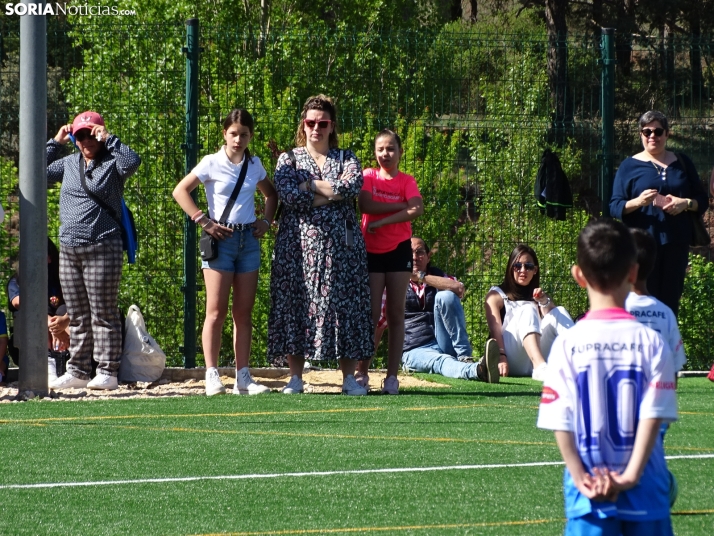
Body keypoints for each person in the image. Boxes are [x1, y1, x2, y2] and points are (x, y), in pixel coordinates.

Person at [537, 217, 678, 535]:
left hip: (587, 496)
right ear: (633, 272)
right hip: (646, 489)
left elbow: (561, 419)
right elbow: (653, 418)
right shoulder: (652, 342)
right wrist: (628, 477)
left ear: (578, 275)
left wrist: (579, 477)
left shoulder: (566, 344)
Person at [268, 94, 373, 396]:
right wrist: (330, 193)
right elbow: (288, 195)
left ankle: (349, 379)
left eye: (322, 123)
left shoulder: (347, 157)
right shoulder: (288, 159)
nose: (316, 128)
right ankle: (296, 377)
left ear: (332, 126)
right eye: (311, 122)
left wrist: (311, 184)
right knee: (296, 304)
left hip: (342, 249)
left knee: (346, 305)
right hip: (296, 249)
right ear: (304, 124)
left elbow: (351, 186)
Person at [173, 109, 277, 396]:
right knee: (215, 311)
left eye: (244, 134)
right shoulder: (210, 163)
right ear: (224, 134)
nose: (238, 139)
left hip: (248, 241)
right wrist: (203, 221)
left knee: (243, 313)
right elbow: (180, 191)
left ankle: (243, 376)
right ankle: (212, 373)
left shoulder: (254, 164)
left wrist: (266, 222)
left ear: (250, 136)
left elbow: (271, 194)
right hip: (221, 239)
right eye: (233, 133)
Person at [47, 111, 141, 390]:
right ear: (75, 138)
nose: (87, 140)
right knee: (76, 313)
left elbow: (132, 162)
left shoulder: (113, 162)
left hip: (103, 245)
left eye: (91, 134)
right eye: (81, 135)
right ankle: (77, 369)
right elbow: (34, 170)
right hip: (69, 248)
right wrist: (56, 141)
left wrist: (109, 138)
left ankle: (107, 371)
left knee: (103, 311)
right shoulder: (67, 163)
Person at [610, 110, 708, 317]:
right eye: (647, 132)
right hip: (641, 248)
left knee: (670, 304)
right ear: (641, 135)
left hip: (675, 244)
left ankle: (667, 347)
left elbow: (702, 200)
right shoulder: (629, 166)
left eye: (658, 131)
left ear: (667, 134)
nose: (652, 136)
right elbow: (615, 206)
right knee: (641, 304)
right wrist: (638, 202)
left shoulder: (682, 162)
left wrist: (686, 203)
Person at [368, 236, 500, 384]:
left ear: (428, 256)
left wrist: (420, 277)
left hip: (443, 342)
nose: (414, 257)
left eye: (419, 252)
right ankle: (478, 370)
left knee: (446, 296)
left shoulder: (439, 276)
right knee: (441, 360)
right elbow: (379, 326)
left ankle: (465, 356)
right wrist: (363, 368)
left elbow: (458, 288)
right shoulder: (393, 286)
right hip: (416, 349)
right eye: (410, 253)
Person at [357, 129, 423, 394]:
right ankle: (362, 372)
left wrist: (384, 221)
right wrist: (400, 207)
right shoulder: (368, 176)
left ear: (400, 152)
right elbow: (365, 205)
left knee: (396, 314)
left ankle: (392, 376)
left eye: (391, 149)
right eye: (381, 149)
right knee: (371, 314)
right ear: (375, 152)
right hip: (370, 251)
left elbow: (417, 208)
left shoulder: (407, 180)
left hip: (398, 251)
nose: (385, 154)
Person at [484, 244, 573, 381]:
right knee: (528, 308)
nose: (523, 270)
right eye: (517, 266)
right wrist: (501, 357)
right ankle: (539, 367)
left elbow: (553, 317)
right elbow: (495, 331)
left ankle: (583, 361)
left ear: (535, 270)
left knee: (559, 310)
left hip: (539, 359)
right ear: (510, 268)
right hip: (511, 358)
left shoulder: (538, 295)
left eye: (529, 266)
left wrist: (543, 301)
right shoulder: (496, 295)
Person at [7, 238, 71, 383]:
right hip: (29, 344)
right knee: (31, 311)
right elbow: (21, 304)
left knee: (65, 309)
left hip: (64, 334)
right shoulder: (16, 281)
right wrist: (54, 326)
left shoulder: (62, 279)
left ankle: (71, 362)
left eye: (50, 255)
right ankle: (47, 364)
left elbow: (77, 303)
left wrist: (62, 323)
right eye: (42, 255)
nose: (48, 260)